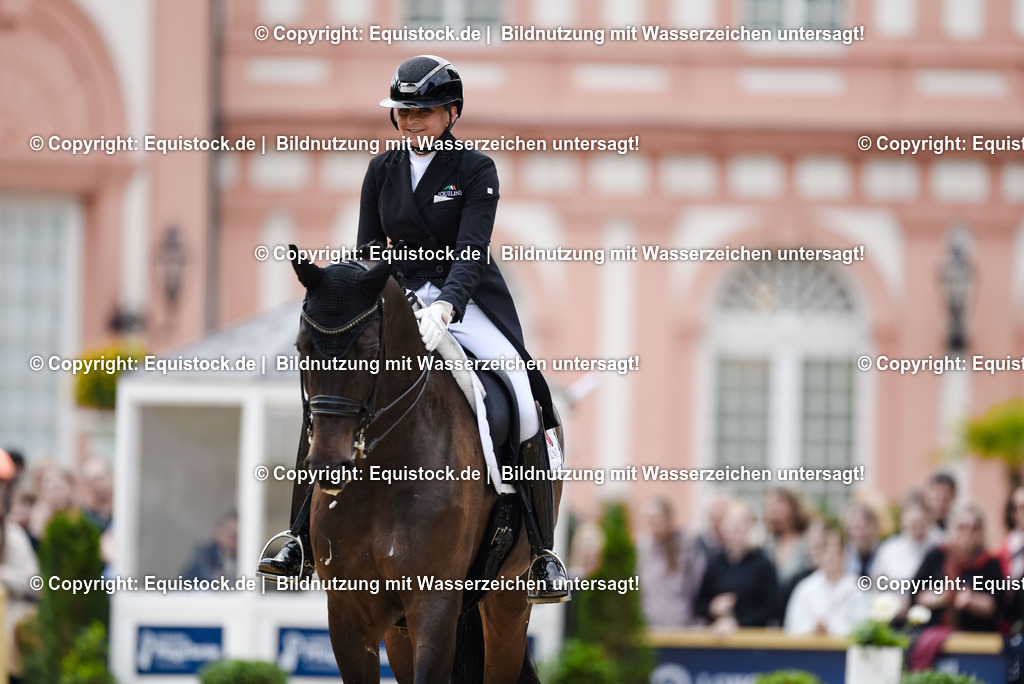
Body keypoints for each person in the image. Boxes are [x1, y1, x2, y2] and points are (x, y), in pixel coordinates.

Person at [258, 55, 569, 602]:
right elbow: (368, 248)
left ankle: (541, 551)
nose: (411, 121)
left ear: (452, 113)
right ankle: (299, 538)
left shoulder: (475, 170)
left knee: (524, 395)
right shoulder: (381, 170)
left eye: (423, 112)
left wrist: (446, 306)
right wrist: (373, 298)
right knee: (331, 393)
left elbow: (471, 251)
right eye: (404, 112)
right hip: (396, 299)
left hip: (464, 301)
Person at [910, 503, 1003, 632]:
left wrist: (971, 599)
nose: (968, 532)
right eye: (963, 527)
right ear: (953, 528)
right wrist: (942, 596)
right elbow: (916, 594)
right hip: (936, 632)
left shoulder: (990, 563)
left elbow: (997, 605)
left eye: (974, 527)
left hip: (978, 635)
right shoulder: (937, 556)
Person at [696, 500, 777, 634]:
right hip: (717, 637)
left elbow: (771, 608)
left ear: (750, 526)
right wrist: (712, 607)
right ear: (722, 527)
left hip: (752, 638)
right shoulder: (714, 562)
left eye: (741, 522)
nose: (735, 527)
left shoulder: (762, 563)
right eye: (731, 522)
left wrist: (739, 623)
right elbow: (699, 603)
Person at [784, 526, 868, 636]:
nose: (831, 557)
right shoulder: (805, 588)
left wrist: (831, 626)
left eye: (836, 552)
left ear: (844, 555)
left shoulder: (857, 588)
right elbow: (791, 626)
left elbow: (864, 628)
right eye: (826, 551)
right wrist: (813, 625)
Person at [637, 497, 705, 628]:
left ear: (668, 518)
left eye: (656, 517)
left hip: (679, 624)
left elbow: (695, 587)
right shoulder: (641, 549)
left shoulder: (685, 548)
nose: (652, 521)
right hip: (649, 625)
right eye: (648, 517)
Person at [763, 487, 812, 620]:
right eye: (769, 505)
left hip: (800, 613)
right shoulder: (767, 544)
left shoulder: (807, 542)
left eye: (778, 503)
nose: (773, 509)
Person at [872, 492, 935, 583]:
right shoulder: (889, 549)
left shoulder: (939, 546)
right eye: (913, 522)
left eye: (921, 519)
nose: (918, 525)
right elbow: (875, 582)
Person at [183, 512, 238, 581]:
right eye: (232, 537)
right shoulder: (205, 557)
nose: (236, 544)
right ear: (219, 534)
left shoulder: (250, 560)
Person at [843, 502, 880, 578]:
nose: (861, 534)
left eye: (865, 527)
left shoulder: (883, 553)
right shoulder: (843, 557)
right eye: (856, 528)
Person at [925, 471, 957, 542]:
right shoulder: (919, 526)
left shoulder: (958, 527)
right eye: (937, 499)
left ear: (954, 497)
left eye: (945, 500)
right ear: (928, 497)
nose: (940, 504)